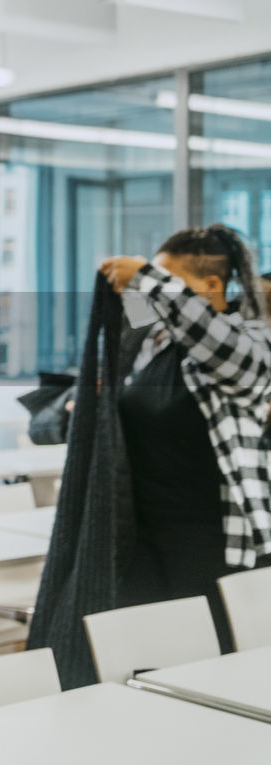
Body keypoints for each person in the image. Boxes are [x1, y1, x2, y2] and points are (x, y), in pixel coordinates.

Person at [100, 224, 271, 651]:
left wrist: (143, 276)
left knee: (217, 668)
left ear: (213, 286)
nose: (156, 293)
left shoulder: (249, 345)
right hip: (143, 540)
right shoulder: (155, 344)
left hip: (216, 543)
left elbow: (216, 342)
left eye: (168, 282)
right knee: (151, 664)